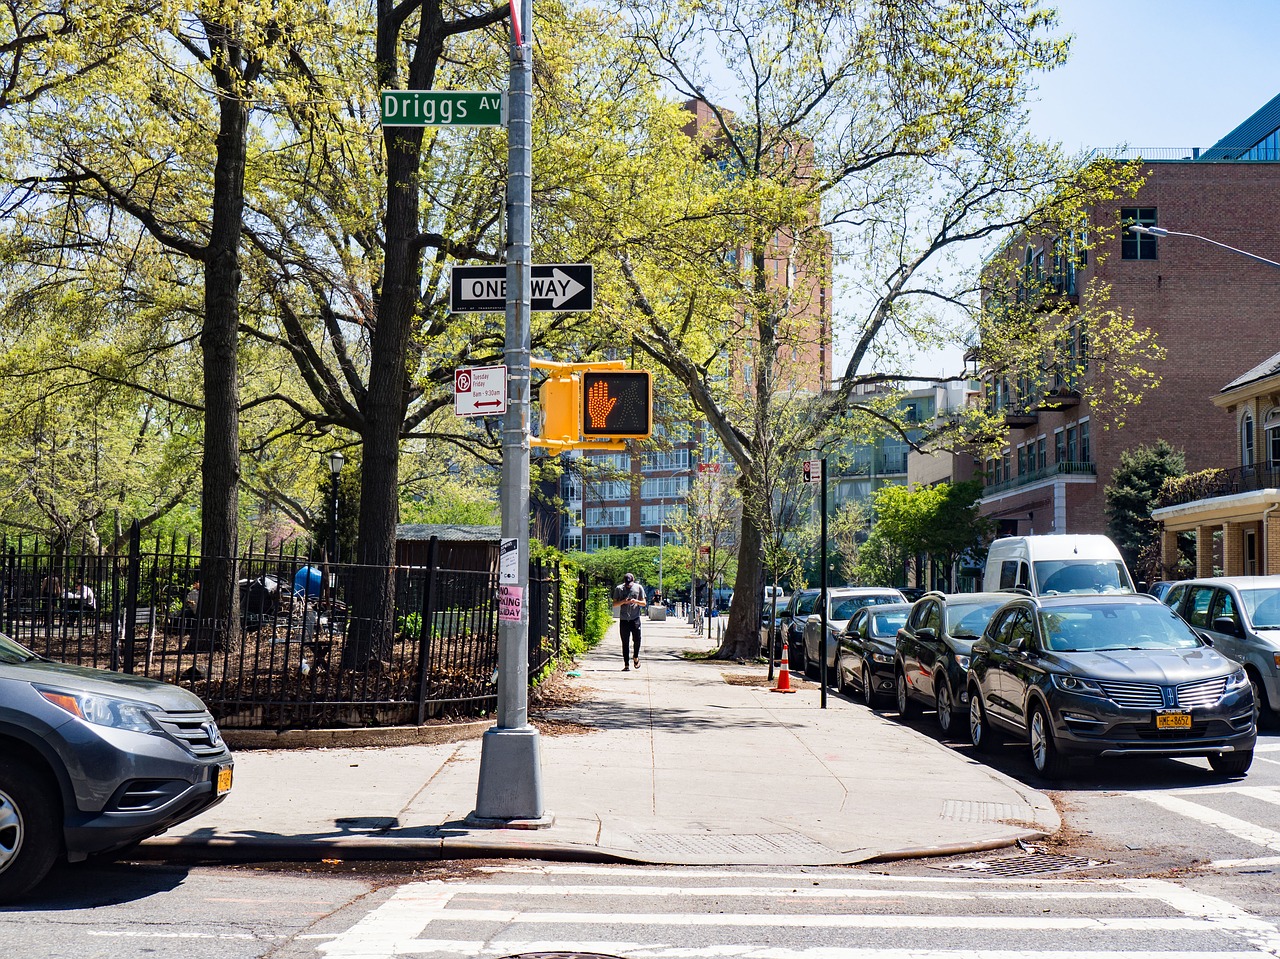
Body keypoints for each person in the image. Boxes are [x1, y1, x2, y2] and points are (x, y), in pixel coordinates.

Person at [612, 572, 646, 671]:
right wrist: (623, 601)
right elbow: (614, 604)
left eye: (630, 584)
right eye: (627, 584)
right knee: (625, 642)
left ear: (633, 581)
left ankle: (636, 657)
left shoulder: (639, 588)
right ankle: (626, 664)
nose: (628, 586)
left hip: (635, 618)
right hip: (624, 619)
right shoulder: (619, 589)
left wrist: (636, 601)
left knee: (637, 640)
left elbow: (644, 603)